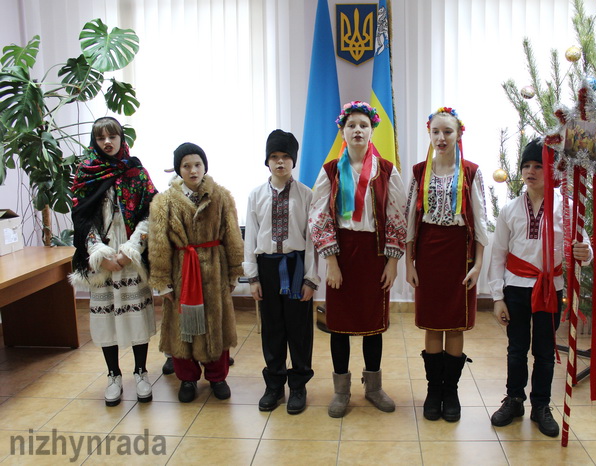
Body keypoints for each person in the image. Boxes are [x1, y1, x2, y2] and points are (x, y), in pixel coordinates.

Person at [309, 101, 408, 418]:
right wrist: (331, 261)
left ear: (372, 130)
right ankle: (341, 391)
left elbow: (396, 216)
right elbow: (319, 216)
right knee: (339, 326)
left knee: (373, 325)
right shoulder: (330, 172)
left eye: (363, 125)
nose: (357, 130)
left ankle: (374, 387)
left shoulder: (386, 171)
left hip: (374, 255)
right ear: (342, 131)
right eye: (351, 125)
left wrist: (392, 262)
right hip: (341, 255)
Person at [488, 139, 592, 437]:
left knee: (545, 351)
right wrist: (497, 297)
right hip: (516, 288)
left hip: (551, 288)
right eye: (526, 166)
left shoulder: (569, 208)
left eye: (538, 166)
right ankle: (515, 399)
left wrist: (586, 253)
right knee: (517, 347)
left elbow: (584, 246)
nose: (531, 171)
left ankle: (541, 405)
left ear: (552, 171)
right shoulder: (510, 209)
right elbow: (498, 255)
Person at [405, 107, 488, 422]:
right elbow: (410, 221)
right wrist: (410, 262)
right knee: (432, 323)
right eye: (436, 132)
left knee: (454, 324)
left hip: (459, 256)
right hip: (428, 256)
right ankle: (432, 389)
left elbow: (481, 222)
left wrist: (478, 264)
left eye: (447, 132)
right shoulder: (417, 172)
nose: (441, 138)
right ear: (429, 133)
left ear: (459, 134)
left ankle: (450, 389)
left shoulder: (470, 172)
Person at [70, 116, 157, 406]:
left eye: (112, 137)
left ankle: (141, 372)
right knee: (107, 317)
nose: (107, 143)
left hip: (131, 254)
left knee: (136, 316)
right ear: (94, 143)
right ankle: (113, 375)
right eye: (101, 138)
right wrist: (99, 254)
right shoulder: (85, 173)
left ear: (122, 139)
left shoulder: (136, 171)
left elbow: (150, 213)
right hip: (102, 257)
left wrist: (131, 248)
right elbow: (80, 220)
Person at [148, 142, 244, 402]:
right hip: (182, 271)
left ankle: (217, 377)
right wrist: (162, 280)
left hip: (215, 269)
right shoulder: (164, 202)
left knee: (217, 322)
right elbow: (158, 243)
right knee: (183, 327)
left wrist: (234, 270)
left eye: (197, 164)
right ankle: (187, 379)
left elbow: (232, 234)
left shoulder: (221, 196)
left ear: (205, 166)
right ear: (179, 169)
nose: (193, 170)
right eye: (186, 165)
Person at [244, 129, 319, 414]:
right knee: (272, 328)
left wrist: (311, 278)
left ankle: (298, 385)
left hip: (297, 265)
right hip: (267, 268)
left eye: (285, 157)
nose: (280, 162)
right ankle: (274, 384)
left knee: (299, 329)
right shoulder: (255, 195)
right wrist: (252, 277)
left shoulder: (306, 195)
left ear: (293, 161)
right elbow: (250, 237)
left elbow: (312, 239)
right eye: (274, 157)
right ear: (267, 161)